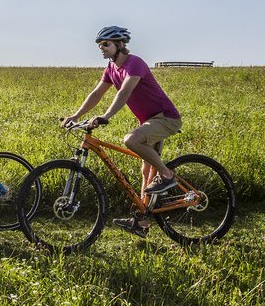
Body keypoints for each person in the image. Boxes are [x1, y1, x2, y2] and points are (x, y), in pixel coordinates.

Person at [61, 25, 183, 237]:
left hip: (166, 118)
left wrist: (105, 117)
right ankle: (142, 223)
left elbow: (124, 92)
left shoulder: (134, 63)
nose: (102, 48)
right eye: (100, 45)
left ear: (119, 44)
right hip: (149, 121)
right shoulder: (111, 69)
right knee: (146, 173)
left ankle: (168, 175)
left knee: (131, 140)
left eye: (106, 44)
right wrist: (76, 116)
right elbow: (96, 93)